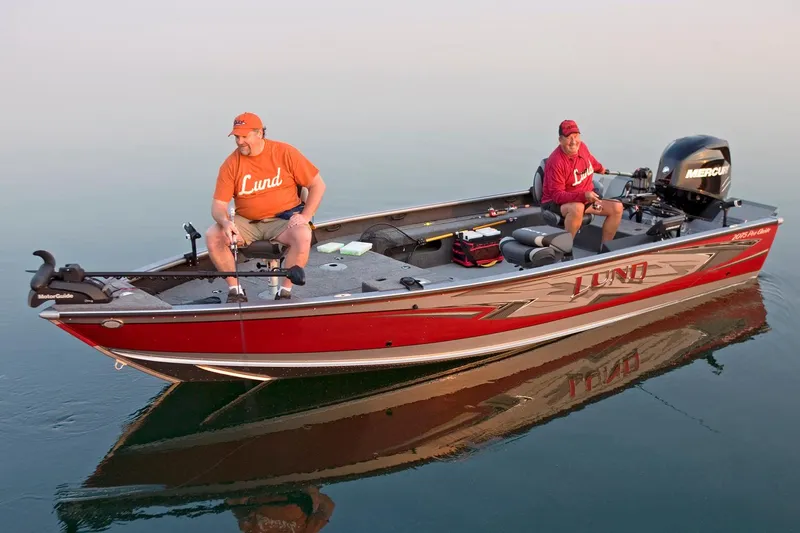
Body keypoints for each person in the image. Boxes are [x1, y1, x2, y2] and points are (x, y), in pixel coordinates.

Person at [207, 112, 326, 303]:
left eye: (244, 136)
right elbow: (218, 205)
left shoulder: (285, 152)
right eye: (237, 137)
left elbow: (318, 185)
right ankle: (235, 290)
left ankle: (285, 292)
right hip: (246, 222)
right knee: (213, 235)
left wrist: (306, 215)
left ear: (259, 133)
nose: (239, 142)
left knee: (303, 234)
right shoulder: (231, 164)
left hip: (283, 220)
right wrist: (224, 222)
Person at [540, 119, 622, 246]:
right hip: (555, 203)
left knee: (617, 207)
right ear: (560, 139)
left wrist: (601, 168)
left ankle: (605, 249)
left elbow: (590, 161)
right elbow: (557, 196)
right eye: (568, 137)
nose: (573, 141)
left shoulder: (582, 147)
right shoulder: (556, 162)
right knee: (577, 208)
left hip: (584, 199)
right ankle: (565, 251)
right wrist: (583, 195)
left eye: (576, 136)